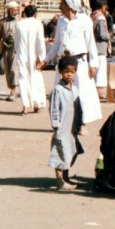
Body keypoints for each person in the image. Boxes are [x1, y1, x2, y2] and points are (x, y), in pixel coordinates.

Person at [37, 0, 101, 129]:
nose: (60, 6)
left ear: (70, 5)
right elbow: (56, 45)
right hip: (63, 62)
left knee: (81, 93)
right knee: (60, 92)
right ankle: (61, 122)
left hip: (80, 63)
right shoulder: (61, 22)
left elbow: (91, 44)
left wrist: (93, 64)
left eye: (62, 3)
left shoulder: (84, 21)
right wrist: (45, 60)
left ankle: (82, 123)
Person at [48, 55, 84, 191]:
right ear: (60, 71)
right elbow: (53, 109)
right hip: (62, 128)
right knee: (60, 153)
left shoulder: (74, 89)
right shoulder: (58, 90)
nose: (69, 74)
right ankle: (60, 181)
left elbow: (78, 108)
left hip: (71, 128)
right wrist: (56, 125)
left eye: (72, 71)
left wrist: (80, 124)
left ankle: (66, 177)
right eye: (66, 71)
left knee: (70, 152)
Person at [15, 5, 47, 115]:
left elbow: (16, 42)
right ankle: (36, 104)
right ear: (35, 14)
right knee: (35, 78)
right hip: (34, 56)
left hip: (21, 55)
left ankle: (25, 107)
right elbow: (40, 41)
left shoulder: (19, 24)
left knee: (23, 80)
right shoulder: (38, 23)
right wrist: (41, 57)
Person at [0, 1, 20, 101]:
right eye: (14, 10)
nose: (16, 12)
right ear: (9, 10)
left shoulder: (20, 21)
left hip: (16, 49)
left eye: (17, 10)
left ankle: (13, 91)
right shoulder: (3, 22)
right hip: (5, 49)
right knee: (7, 70)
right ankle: (12, 89)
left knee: (13, 69)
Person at [90, 0, 110, 101]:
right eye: (105, 7)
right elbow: (102, 34)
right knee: (100, 72)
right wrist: (109, 36)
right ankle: (96, 94)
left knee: (95, 72)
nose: (106, 9)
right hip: (100, 48)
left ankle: (96, 93)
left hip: (93, 47)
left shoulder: (92, 16)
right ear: (102, 7)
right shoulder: (100, 19)